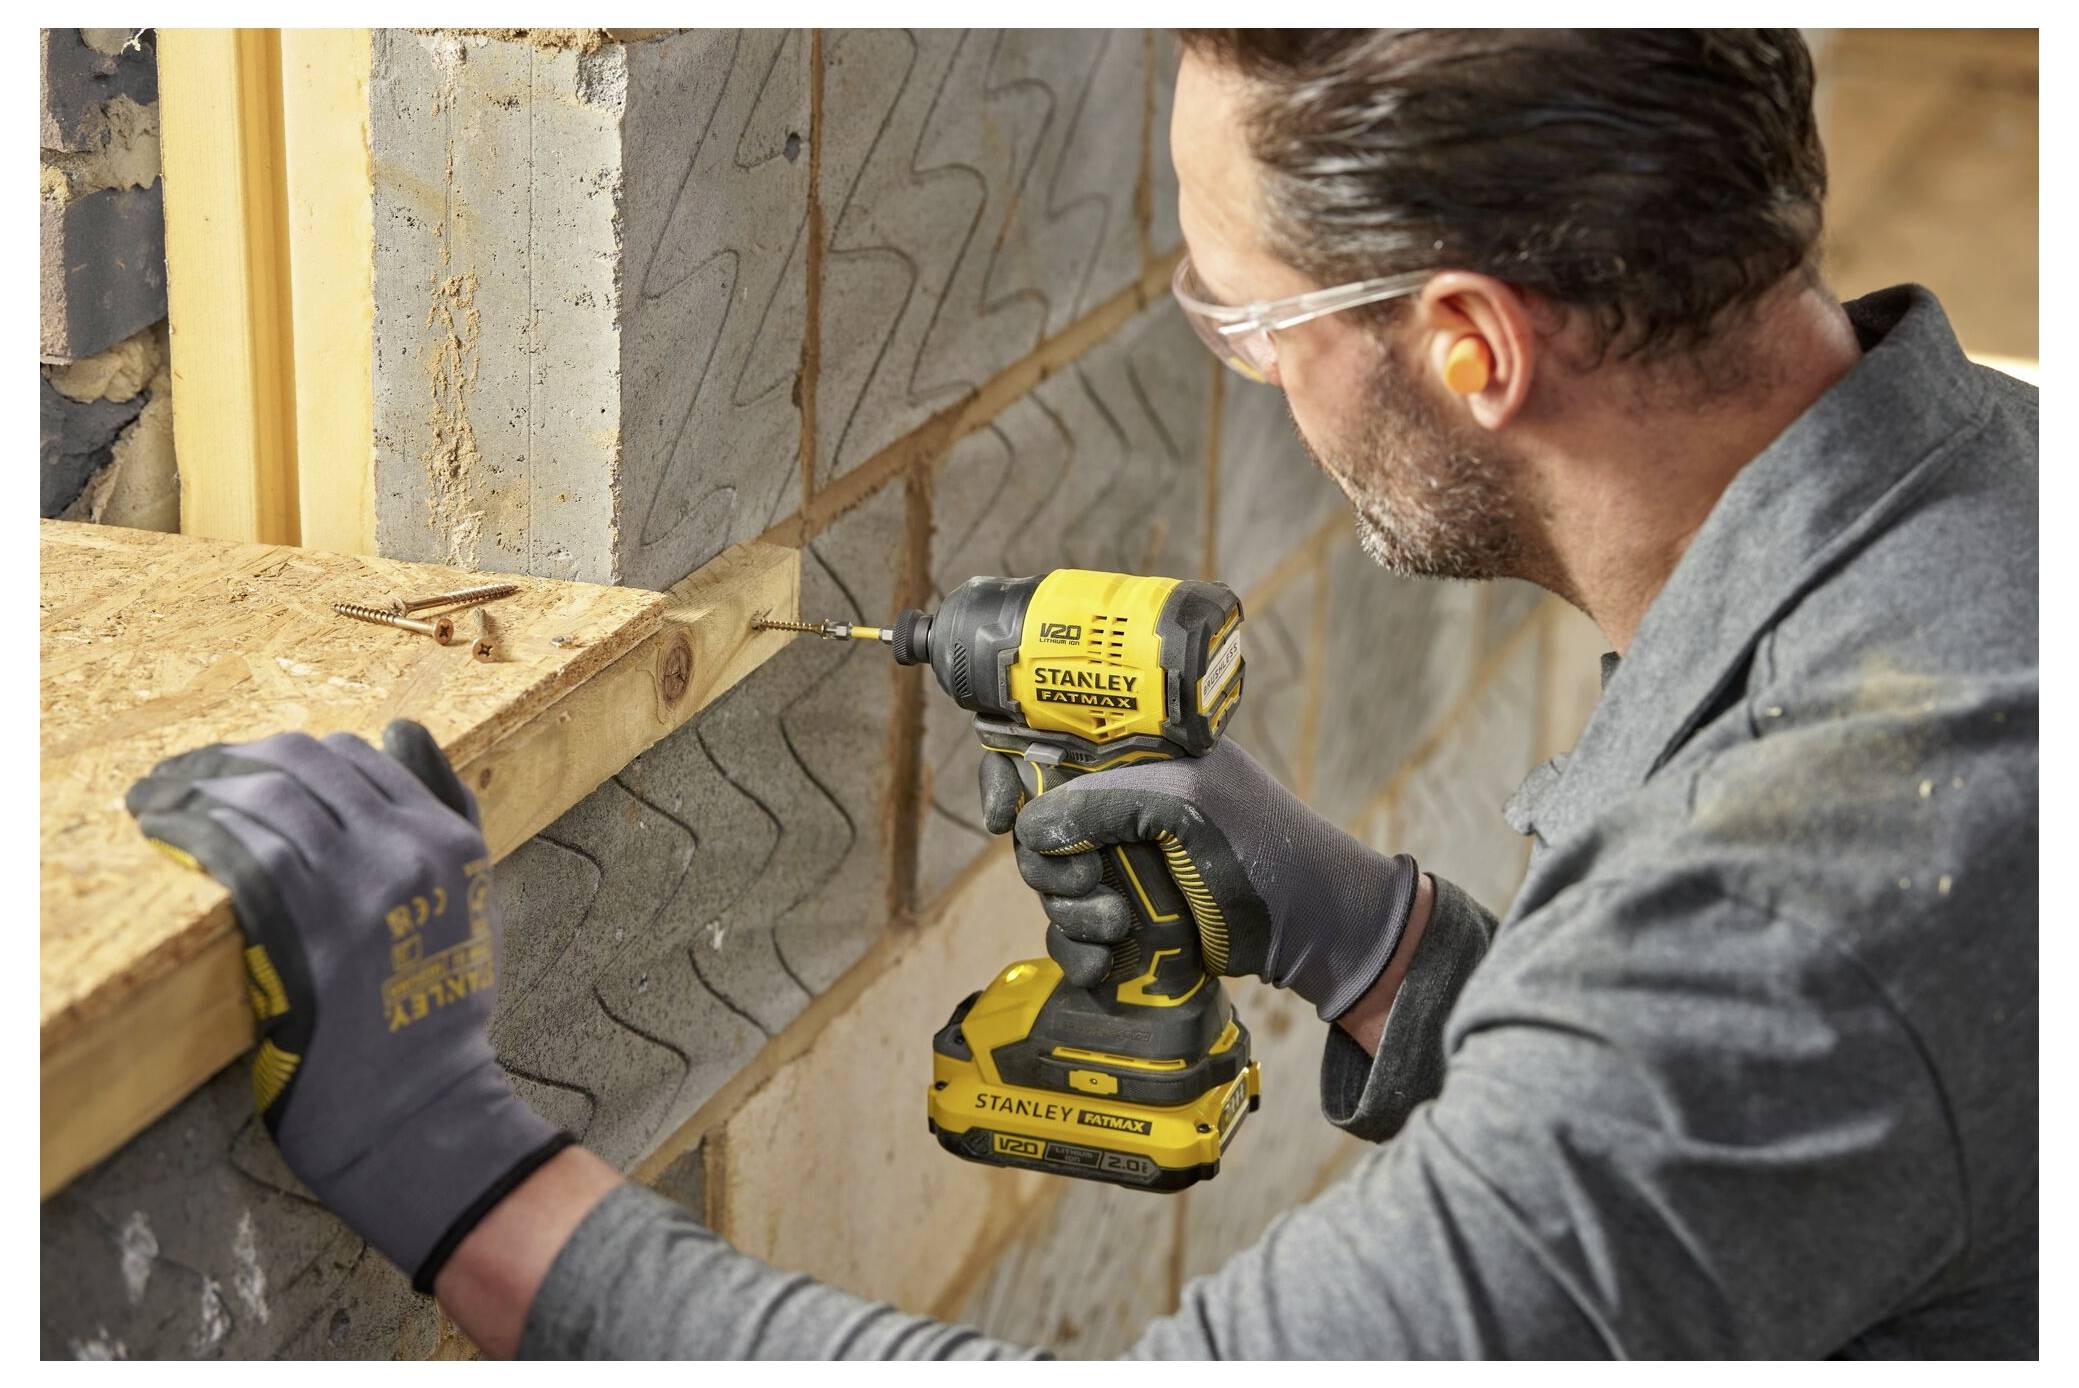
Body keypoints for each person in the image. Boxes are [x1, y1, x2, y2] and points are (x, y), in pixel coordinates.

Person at [127, 29, 2036, 1357]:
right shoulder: (1998, 487)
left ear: (1468, 347)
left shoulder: (1807, 895)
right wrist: (1391, 954)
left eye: (1245, 318)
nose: (1246, 375)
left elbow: (1761, 1018)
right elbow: (1804, 1137)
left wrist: (451, 1166)